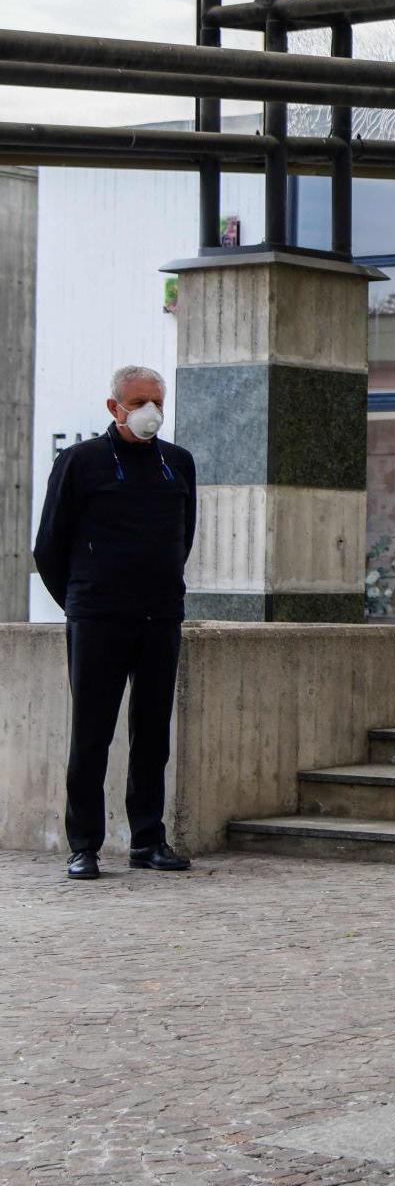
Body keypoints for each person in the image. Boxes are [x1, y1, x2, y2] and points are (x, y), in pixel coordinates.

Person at [32, 365, 199, 880]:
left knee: (153, 734)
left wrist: (163, 587)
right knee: (91, 734)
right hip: (98, 618)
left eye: (157, 401)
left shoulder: (177, 463)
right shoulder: (80, 462)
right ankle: (84, 845)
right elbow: (49, 546)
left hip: (160, 617)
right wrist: (81, 603)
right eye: (139, 401)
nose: (150, 411)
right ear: (114, 406)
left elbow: (183, 535)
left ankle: (148, 840)